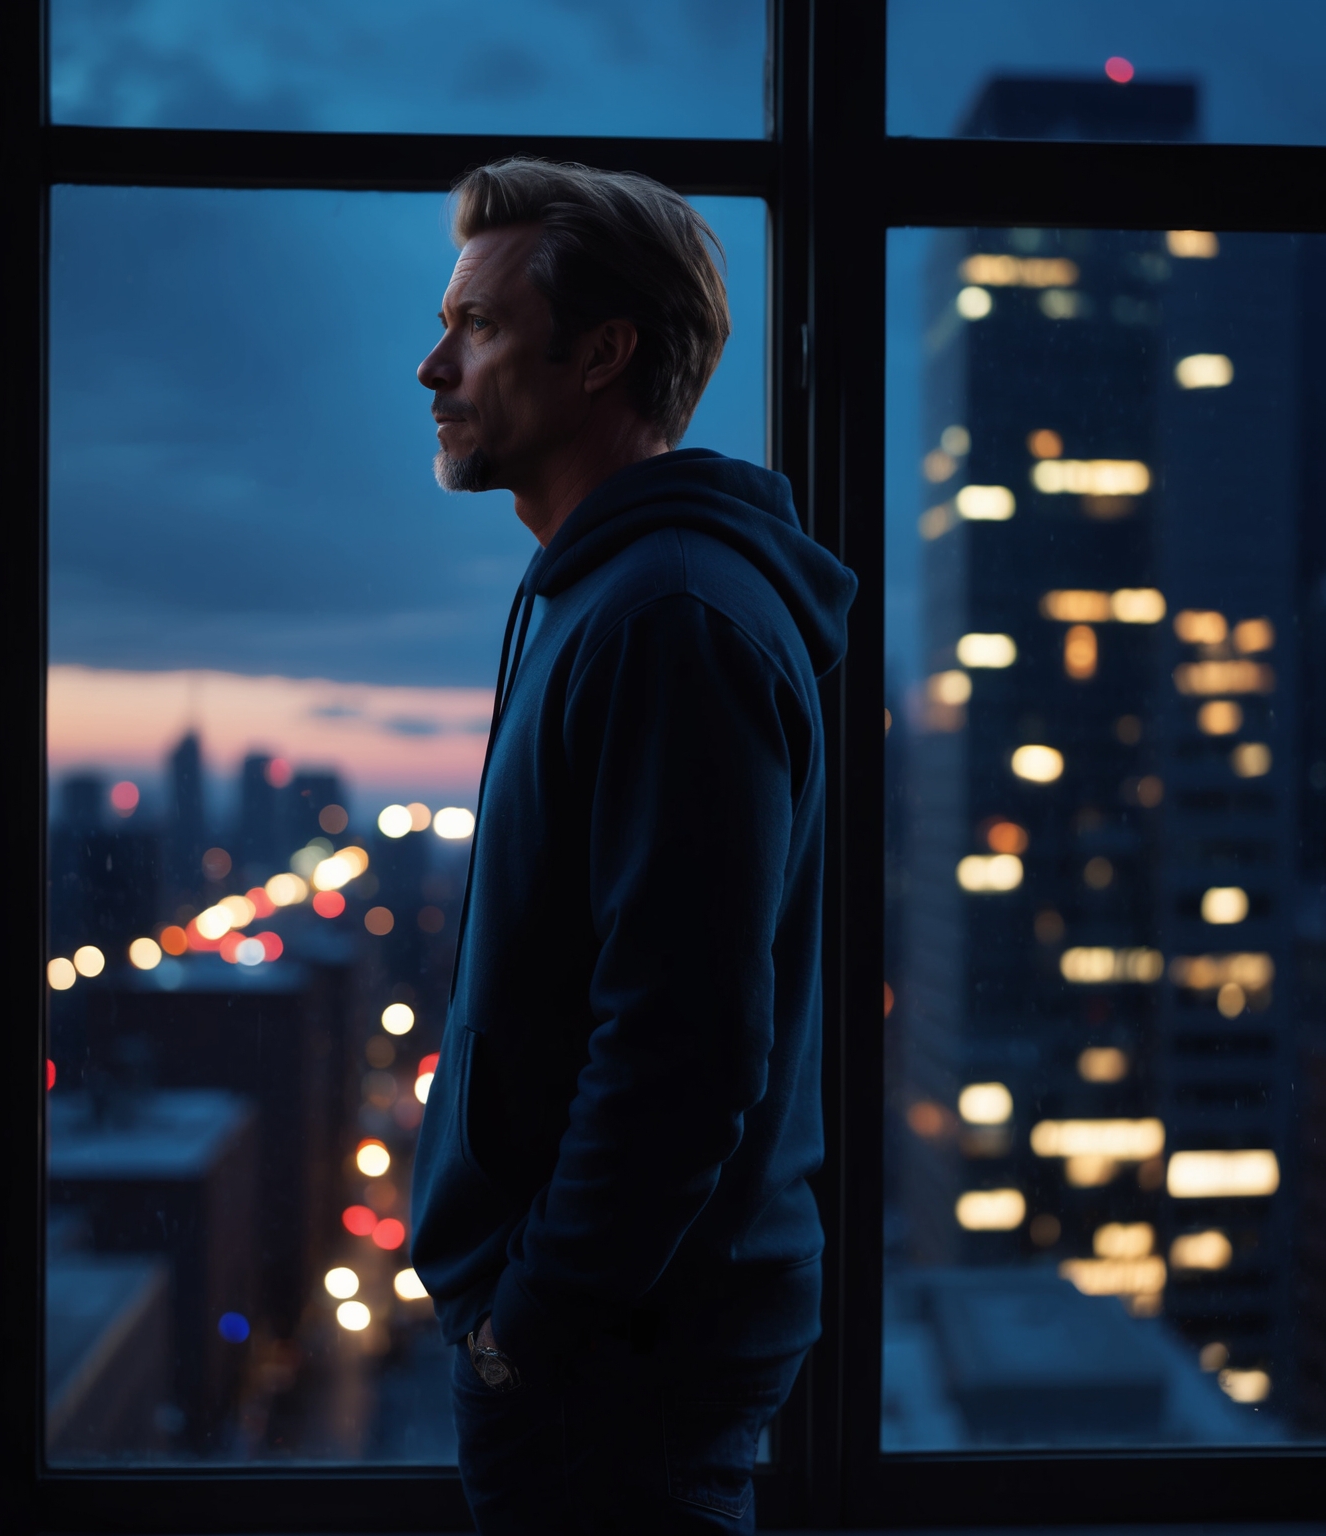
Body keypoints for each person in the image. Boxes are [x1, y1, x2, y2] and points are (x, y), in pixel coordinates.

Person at [410, 157, 856, 1533]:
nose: (435, 367)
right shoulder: (619, 596)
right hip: (613, 1348)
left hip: (613, 1369)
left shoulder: (669, 617)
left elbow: (682, 1044)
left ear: (602, 354)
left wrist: (530, 1324)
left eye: (477, 325)